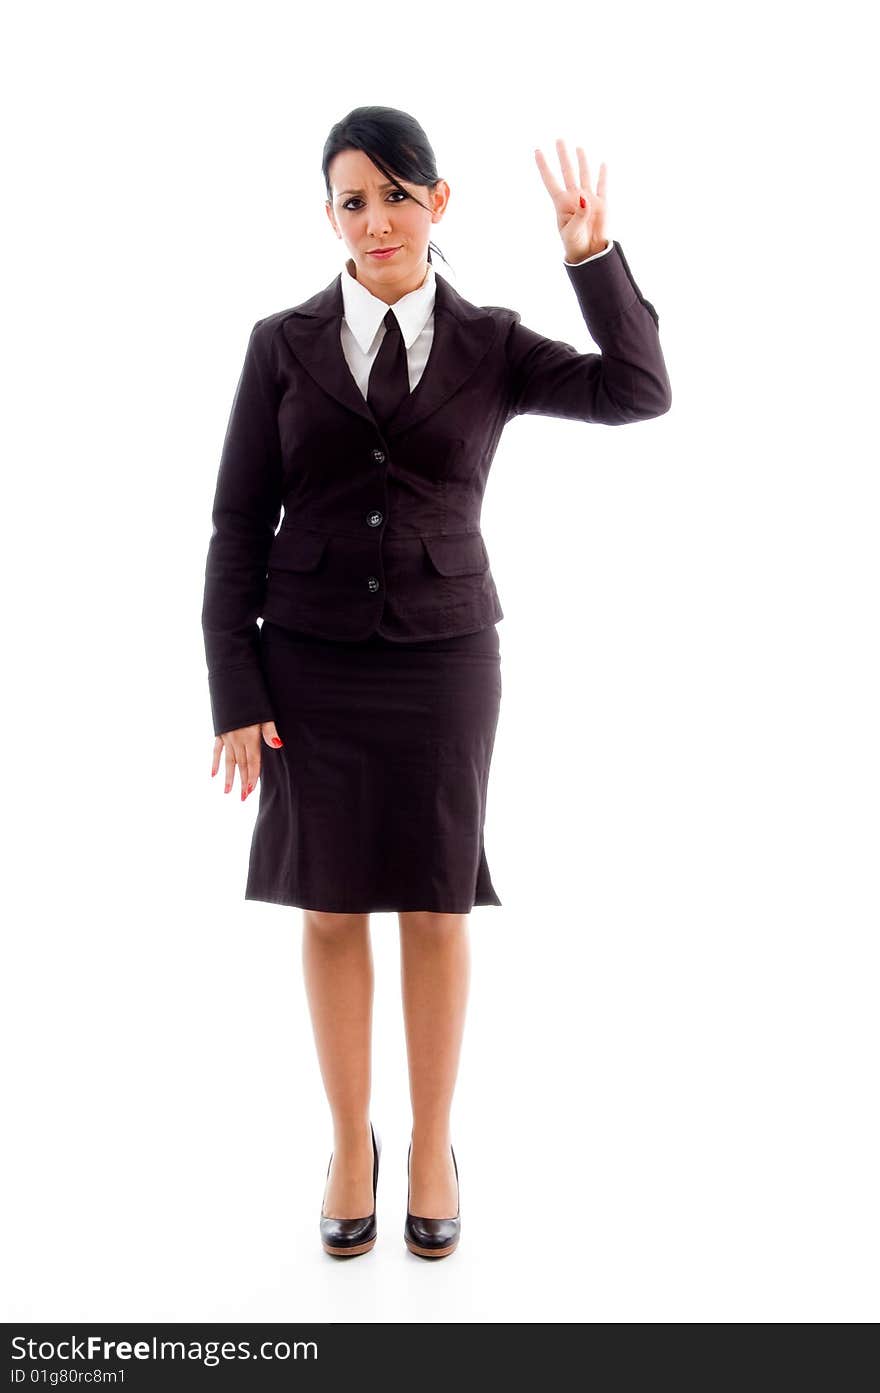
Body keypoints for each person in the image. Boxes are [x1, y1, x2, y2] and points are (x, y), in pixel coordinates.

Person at [201, 106, 671, 1260]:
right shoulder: (280, 341)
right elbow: (232, 521)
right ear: (329, 215)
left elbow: (637, 390)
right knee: (326, 904)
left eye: (396, 196)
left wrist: (590, 260)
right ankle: (347, 1143)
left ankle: (431, 1144)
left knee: (436, 899)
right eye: (351, 200)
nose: (375, 221)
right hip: (305, 661)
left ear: (439, 203)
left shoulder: (492, 343)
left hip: (447, 658)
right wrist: (234, 686)